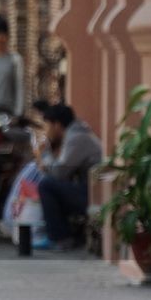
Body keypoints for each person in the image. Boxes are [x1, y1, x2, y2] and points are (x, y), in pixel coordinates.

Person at [34, 103, 102, 250]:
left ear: (57, 125)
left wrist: (44, 154)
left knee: (46, 185)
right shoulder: (76, 134)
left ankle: (61, 238)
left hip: (93, 194)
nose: (46, 131)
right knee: (52, 185)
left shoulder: (76, 138)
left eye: (47, 126)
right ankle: (68, 234)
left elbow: (59, 172)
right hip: (89, 190)